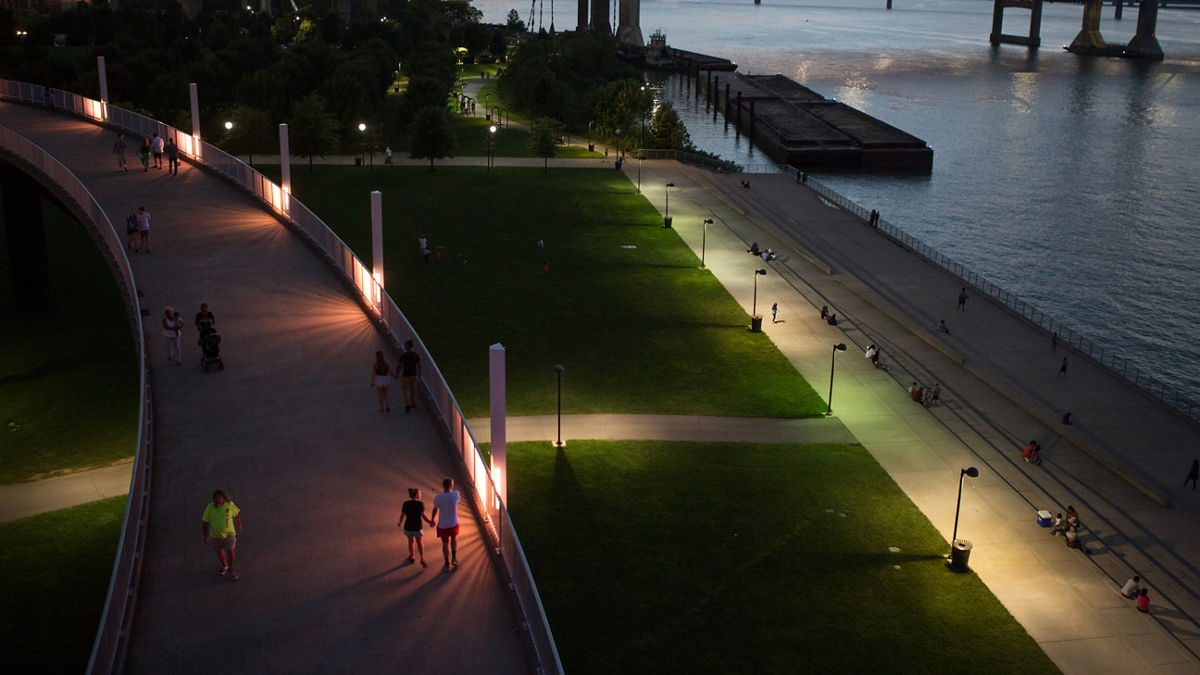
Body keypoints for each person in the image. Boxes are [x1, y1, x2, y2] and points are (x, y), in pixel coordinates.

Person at [201, 489, 242, 581]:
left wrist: (239, 524)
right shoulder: (209, 508)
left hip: (229, 534)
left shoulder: (230, 505)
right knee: (219, 551)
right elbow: (205, 522)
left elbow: (236, 515)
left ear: (224, 499)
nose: (217, 500)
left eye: (220, 498)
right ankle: (224, 565)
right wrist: (205, 535)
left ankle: (231, 568)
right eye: (215, 499)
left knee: (230, 551)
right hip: (216, 535)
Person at [398, 488, 434, 568]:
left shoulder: (406, 503)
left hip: (408, 526)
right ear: (417, 495)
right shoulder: (420, 504)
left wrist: (400, 522)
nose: (421, 495)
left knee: (410, 542)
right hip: (417, 527)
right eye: (420, 493)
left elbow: (403, 514)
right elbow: (423, 516)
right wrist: (430, 522)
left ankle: (412, 556)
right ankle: (422, 558)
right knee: (420, 542)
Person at [431, 478, 460, 571]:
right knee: (454, 539)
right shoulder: (456, 494)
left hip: (443, 524)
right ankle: (454, 558)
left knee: (445, 543)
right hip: (453, 522)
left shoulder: (438, 497)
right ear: (451, 486)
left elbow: (435, 510)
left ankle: (447, 562)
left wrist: (432, 519)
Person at [397, 340, 421, 412]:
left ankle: (407, 404)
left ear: (407, 346)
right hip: (414, 374)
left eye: (405, 345)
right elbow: (419, 365)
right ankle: (413, 402)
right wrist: (419, 373)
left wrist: (397, 374)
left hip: (406, 375)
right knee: (413, 389)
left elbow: (399, 366)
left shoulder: (403, 356)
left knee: (405, 390)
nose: (404, 346)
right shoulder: (415, 355)